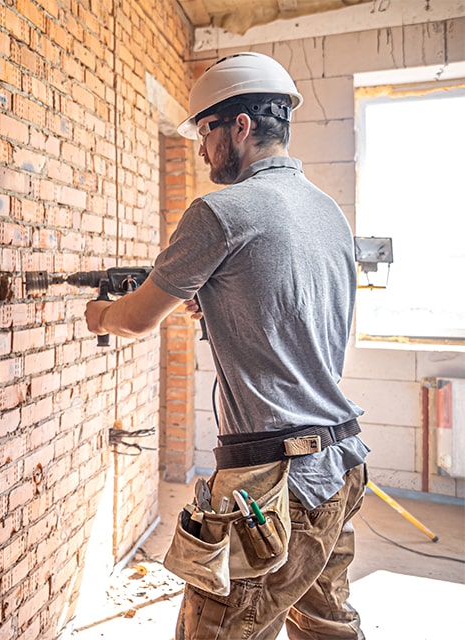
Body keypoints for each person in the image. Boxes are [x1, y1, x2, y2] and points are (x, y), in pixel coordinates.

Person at [84, 52, 369, 640]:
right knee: (327, 627)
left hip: (276, 485)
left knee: (216, 630)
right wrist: (217, 308)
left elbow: (137, 320)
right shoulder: (327, 212)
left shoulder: (219, 212)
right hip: (340, 467)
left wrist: (101, 314)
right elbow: (292, 320)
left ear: (240, 125)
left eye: (205, 131)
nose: (200, 149)